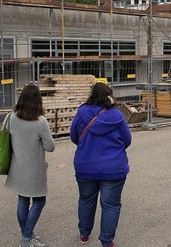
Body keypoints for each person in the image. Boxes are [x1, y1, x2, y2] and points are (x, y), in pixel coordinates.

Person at [71, 82, 132, 247]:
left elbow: (74, 137)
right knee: (111, 205)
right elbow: (127, 140)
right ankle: (107, 241)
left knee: (86, 200)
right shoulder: (117, 116)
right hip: (113, 167)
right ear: (109, 96)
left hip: (85, 165)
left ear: (92, 94)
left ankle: (84, 234)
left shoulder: (81, 113)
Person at [4, 84, 56, 247]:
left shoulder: (11, 117)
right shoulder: (40, 122)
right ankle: (26, 238)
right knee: (39, 202)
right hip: (34, 169)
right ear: (38, 100)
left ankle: (26, 234)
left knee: (23, 200)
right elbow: (50, 147)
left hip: (18, 166)